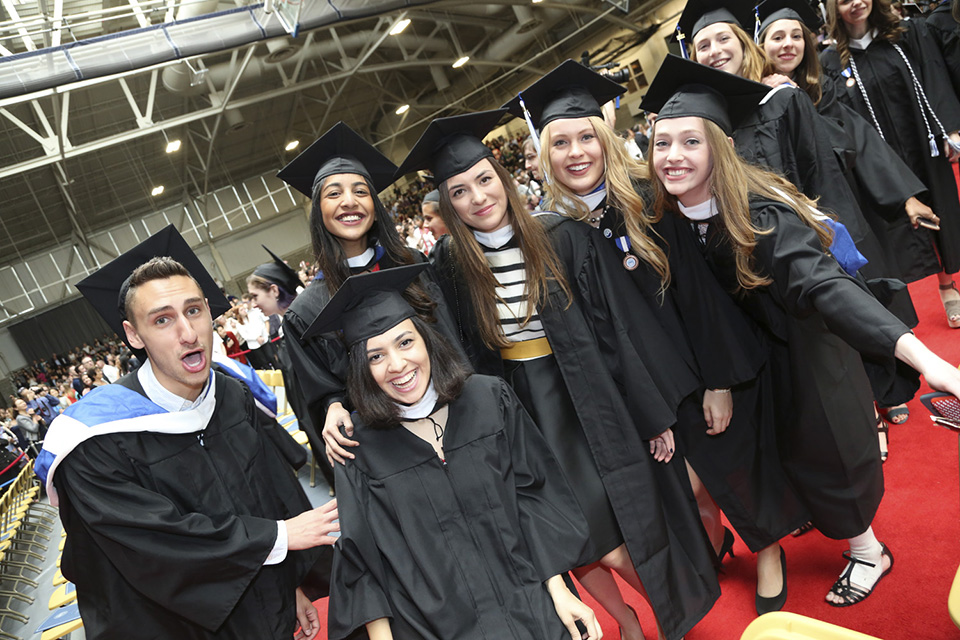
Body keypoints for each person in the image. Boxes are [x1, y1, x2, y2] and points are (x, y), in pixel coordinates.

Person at [386, 110, 719, 640]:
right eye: (460, 191)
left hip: (586, 397)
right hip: (518, 410)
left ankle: (666, 614)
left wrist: (650, 414)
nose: (477, 197)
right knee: (563, 528)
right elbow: (458, 348)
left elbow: (619, 331)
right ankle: (625, 618)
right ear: (447, 203)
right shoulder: (450, 261)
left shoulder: (562, 235)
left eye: (484, 180)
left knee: (619, 524)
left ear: (503, 178)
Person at [640, 55, 960, 607]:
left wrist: (925, 358)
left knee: (823, 446)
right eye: (661, 142)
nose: (672, 156)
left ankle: (868, 550)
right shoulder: (662, 218)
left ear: (721, 146)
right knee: (764, 450)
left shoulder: (759, 213)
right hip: (737, 356)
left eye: (690, 141)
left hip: (802, 341)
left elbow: (823, 286)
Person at [509, 58, 808, 616]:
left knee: (730, 465)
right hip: (641, 383)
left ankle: (768, 550)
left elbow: (698, 293)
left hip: (696, 360)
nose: (575, 153)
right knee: (687, 485)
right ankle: (718, 538)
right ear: (544, 157)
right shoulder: (553, 229)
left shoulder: (650, 198)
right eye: (559, 144)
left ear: (603, 139)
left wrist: (719, 380)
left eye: (585, 138)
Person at [35, 224, 336, 639]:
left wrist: (295, 582)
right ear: (133, 335)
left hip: (268, 606)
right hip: (178, 623)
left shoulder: (229, 395)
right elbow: (157, 545)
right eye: (162, 319)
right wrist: (278, 538)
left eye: (194, 310)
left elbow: (271, 493)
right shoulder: (94, 440)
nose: (188, 333)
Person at [302, 265, 600, 640]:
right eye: (375, 356)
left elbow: (533, 496)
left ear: (427, 339)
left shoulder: (490, 400)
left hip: (532, 605)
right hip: (434, 628)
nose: (397, 365)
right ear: (363, 369)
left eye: (405, 342)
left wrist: (559, 590)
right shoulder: (357, 449)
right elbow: (362, 561)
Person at [277, 122, 459, 482]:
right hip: (388, 454)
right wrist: (331, 406)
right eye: (333, 194)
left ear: (374, 205)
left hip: (453, 422)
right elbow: (319, 391)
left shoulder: (412, 266)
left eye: (361, 191)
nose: (349, 201)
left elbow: (451, 342)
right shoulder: (306, 311)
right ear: (318, 212)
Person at [821, 0, 960, 329]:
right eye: (843, 0)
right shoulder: (831, 62)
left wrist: (949, 127)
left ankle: (947, 284)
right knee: (893, 226)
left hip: (921, 142)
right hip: (878, 159)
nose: (856, 3)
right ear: (833, 10)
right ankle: (903, 302)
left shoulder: (906, 34)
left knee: (939, 210)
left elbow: (934, 75)